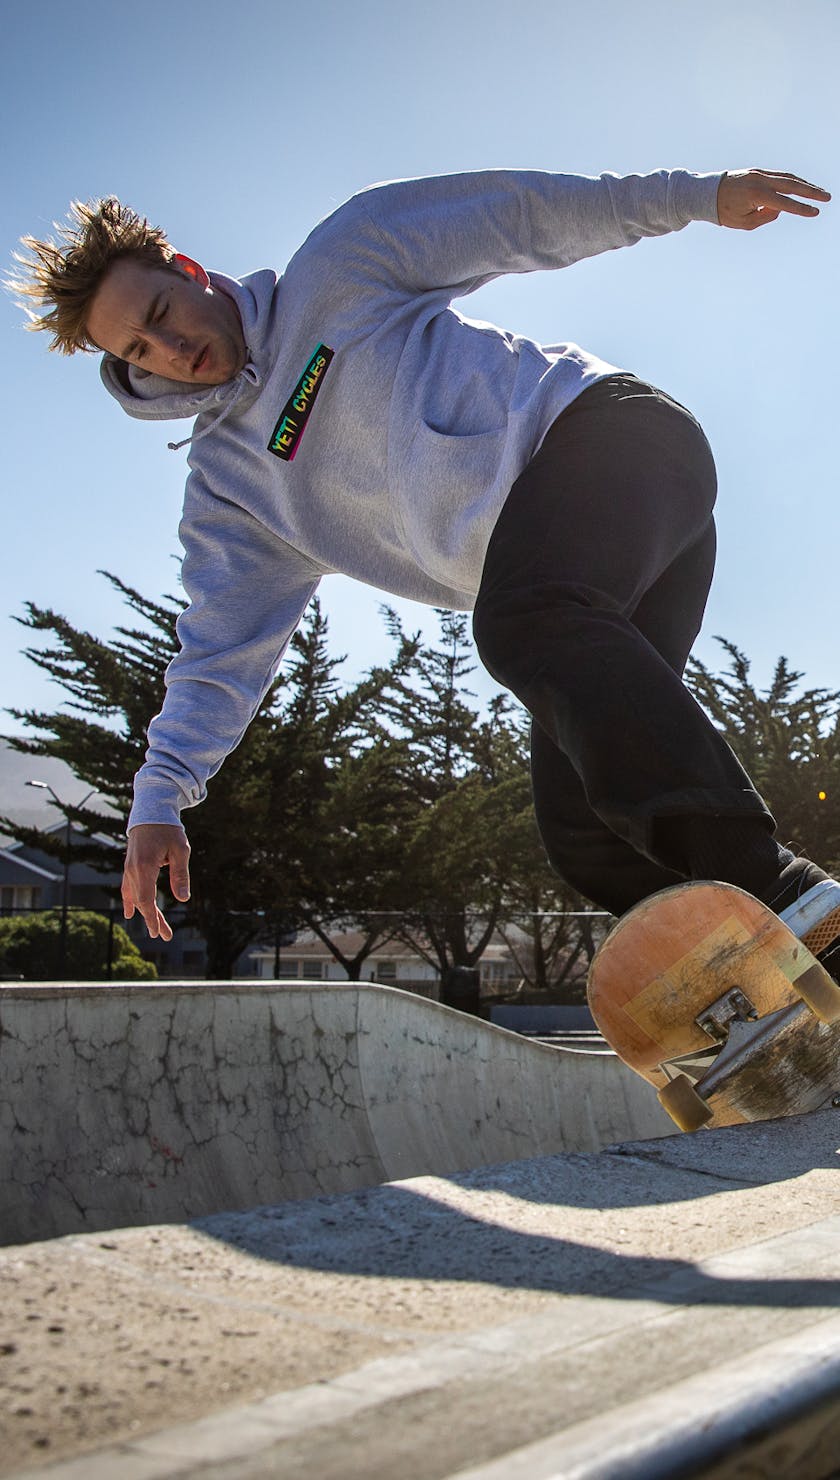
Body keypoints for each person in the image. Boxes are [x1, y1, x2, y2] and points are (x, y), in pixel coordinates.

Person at [10, 164, 840, 969]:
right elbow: (219, 652)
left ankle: (796, 900)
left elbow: (523, 214)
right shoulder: (231, 493)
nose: (169, 345)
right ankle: (763, 986)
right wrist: (159, 799)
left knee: (523, 622)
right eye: (137, 348)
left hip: (617, 441)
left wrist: (698, 196)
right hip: (582, 587)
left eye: (162, 310)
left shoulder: (343, 262)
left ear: (189, 272)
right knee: (583, 831)